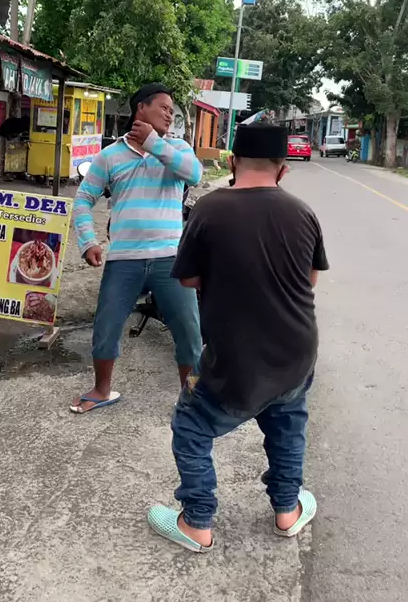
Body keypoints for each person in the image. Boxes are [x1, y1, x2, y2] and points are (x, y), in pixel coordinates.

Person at [147, 122, 329, 551]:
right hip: (297, 352)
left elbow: (188, 279)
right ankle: (287, 511)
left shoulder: (210, 209)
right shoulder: (302, 212)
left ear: (232, 163)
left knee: (191, 424)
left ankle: (197, 522)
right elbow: (311, 279)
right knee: (287, 423)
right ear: (283, 169)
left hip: (235, 355)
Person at [70, 83, 203, 414]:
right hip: (124, 259)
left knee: (189, 332)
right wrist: (88, 241)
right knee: (106, 326)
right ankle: (102, 389)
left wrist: (154, 143)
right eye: (164, 108)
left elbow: (194, 175)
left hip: (171, 259)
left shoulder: (178, 148)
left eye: (172, 111)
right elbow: (83, 199)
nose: (170, 115)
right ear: (141, 108)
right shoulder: (110, 155)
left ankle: (192, 399)